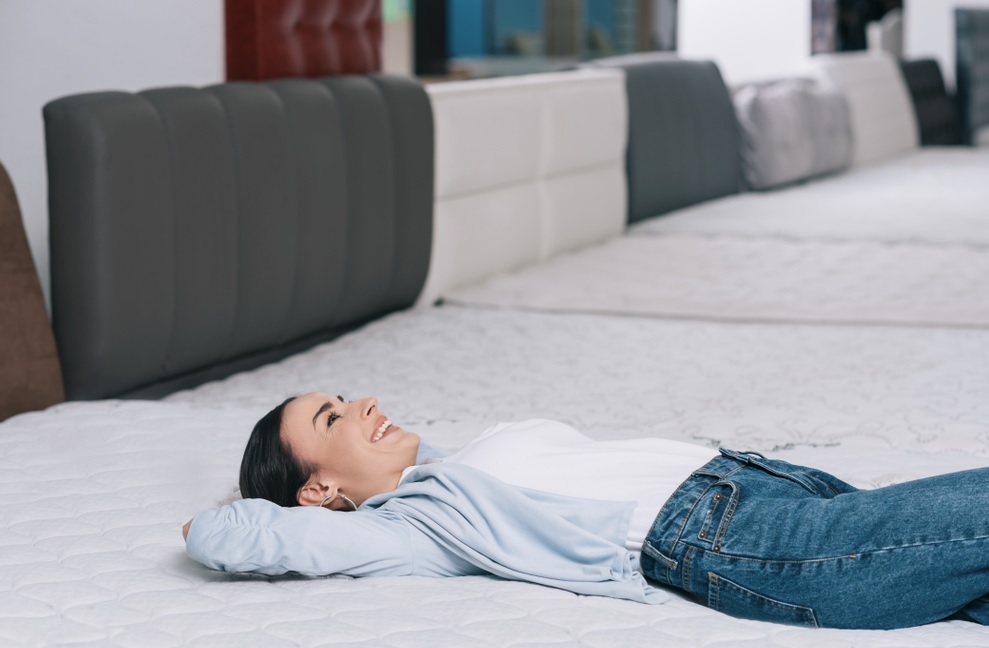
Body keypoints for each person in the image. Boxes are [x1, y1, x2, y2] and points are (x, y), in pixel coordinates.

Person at [184, 392, 989, 630]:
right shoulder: (415, 521)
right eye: (331, 421)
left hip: (764, 484)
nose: (360, 403)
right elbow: (238, 538)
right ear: (319, 491)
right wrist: (205, 522)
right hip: (740, 540)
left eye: (342, 396)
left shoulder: (462, 459)